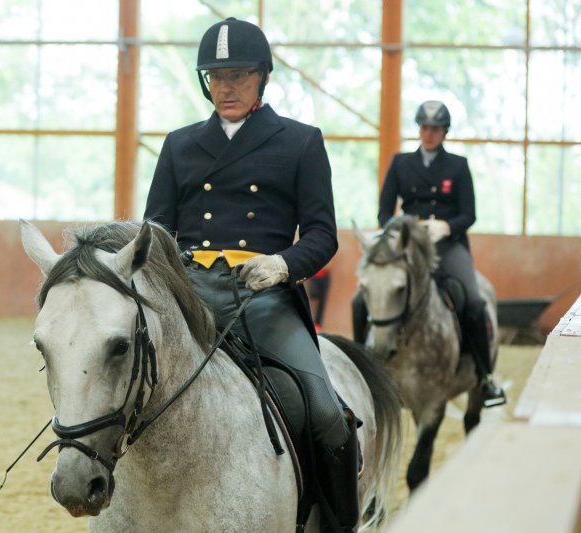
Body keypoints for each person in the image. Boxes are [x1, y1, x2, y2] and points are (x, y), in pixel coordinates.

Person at [144, 17, 359, 532]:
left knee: (328, 416)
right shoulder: (179, 145)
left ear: (262, 77)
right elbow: (156, 229)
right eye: (217, 77)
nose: (227, 87)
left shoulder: (300, 142)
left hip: (262, 294)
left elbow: (323, 234)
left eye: (239, 74)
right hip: (190, 293)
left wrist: (284, 264)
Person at [352, 100, 506, 408]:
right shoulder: (400, 164)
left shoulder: (458, 166)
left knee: (474, 302)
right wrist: (398, 229)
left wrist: (446, 227)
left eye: (435, 129)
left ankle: (485, 377)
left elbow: (469, 214)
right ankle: (362, 371)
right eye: (424, 128)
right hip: (408, 246)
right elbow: (384, 211)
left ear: (444, 132)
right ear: (419, 129)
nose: (429, 134)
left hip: (448, 246)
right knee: (360, 299)